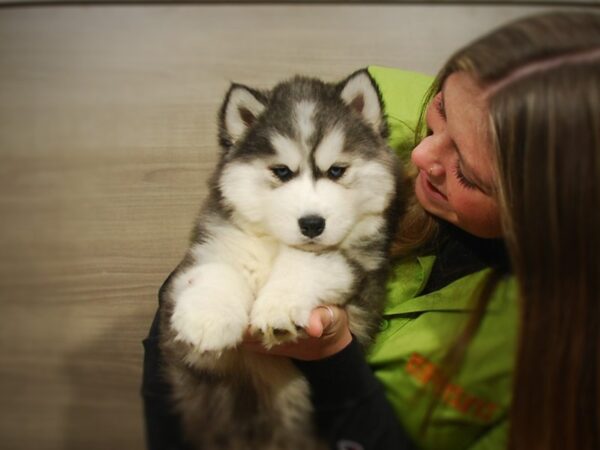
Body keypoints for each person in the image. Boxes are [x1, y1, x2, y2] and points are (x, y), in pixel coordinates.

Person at [142, 10, 600, 450]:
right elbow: (197, 283)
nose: (420, 155)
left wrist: (334, 358)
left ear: (548, 216)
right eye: (439, 109)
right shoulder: (380, 111)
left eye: (465, 172)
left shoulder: (566, 355)